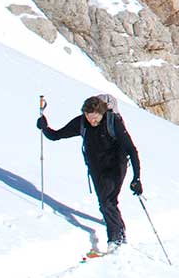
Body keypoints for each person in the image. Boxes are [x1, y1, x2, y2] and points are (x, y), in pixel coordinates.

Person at [38, 95, 141, 253]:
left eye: (94, 118)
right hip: (96, 169)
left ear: (102, 113)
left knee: (107, 201)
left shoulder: (113, 122)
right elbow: (56, 135)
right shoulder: (82, 123)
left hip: (116, 166)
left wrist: (137, 178)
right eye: (88, 117)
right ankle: (120, 231)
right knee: (107, 201)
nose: (91, 121)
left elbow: (131, 150)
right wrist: (44, 127)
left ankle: (115, 239)